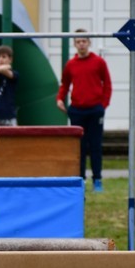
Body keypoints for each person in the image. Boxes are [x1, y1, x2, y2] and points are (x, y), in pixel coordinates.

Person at [56, 30, 112, 192]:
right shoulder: (71, 64)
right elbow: (65, 84)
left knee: (95, 146)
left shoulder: (99, 62)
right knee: (79, 148)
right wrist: (60, 99)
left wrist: (103, 105)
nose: (81, 44)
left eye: (84, 41)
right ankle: (80, 179)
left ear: (89, 43)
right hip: (77, 111)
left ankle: (97, 180)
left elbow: (107, 84)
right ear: (74, 44)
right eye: (78, 41)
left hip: (95, 110)